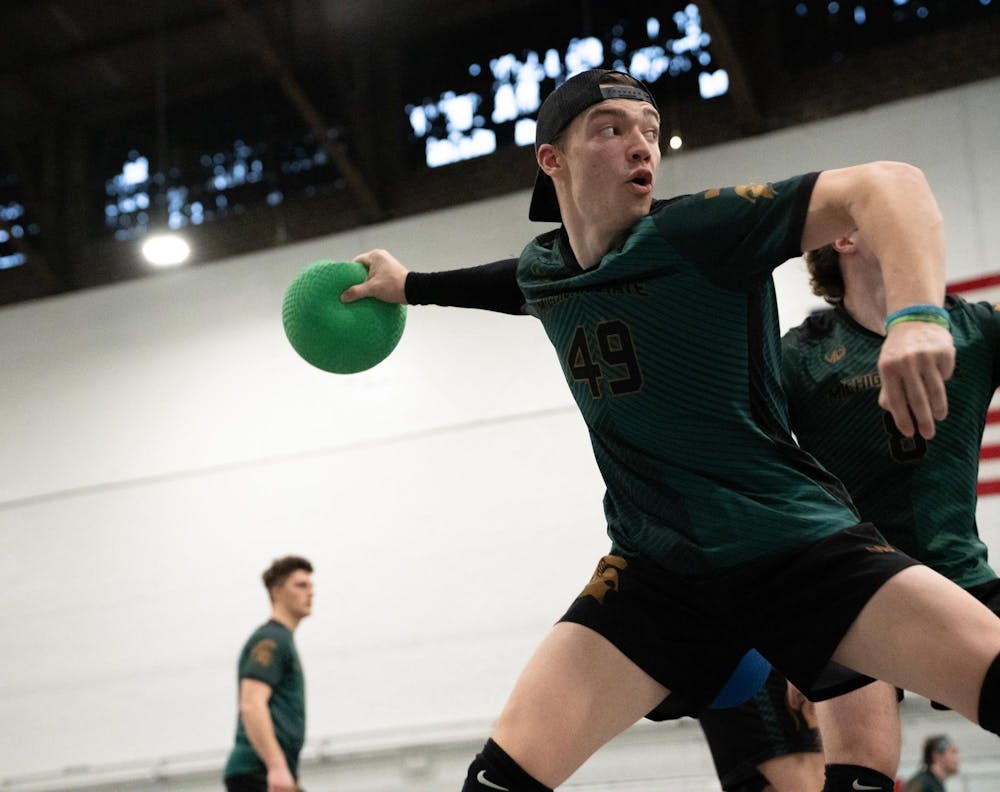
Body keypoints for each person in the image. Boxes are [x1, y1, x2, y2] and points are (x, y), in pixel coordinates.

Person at [341, 69, 1000, 792]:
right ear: (551, 161)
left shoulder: (701, 232)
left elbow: (889, 184)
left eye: (650, 131)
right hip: (659, 575)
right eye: (612, 129)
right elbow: (508, 282)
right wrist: (410, 286)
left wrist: (916, 315)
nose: (640, 146)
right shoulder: (545, 271)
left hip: (790, 544)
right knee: (497, 782)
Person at [696, 231, 1000, 792]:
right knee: (860, 776)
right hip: (850, 594)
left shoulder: (974, 328)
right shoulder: (799, 357)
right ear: (843, 237)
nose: (916, 223)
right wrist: (790, 633)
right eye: (887, 210)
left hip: (958, 578)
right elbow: (729, 462)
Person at [224, 555, 314, 792]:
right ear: (276, 592)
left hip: (267, 771)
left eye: (311, 585)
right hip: (256, 771)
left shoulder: (283, 640)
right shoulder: (272, 639)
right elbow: (252, 703)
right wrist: (276, 766)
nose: (311, 592)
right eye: (300, 585)